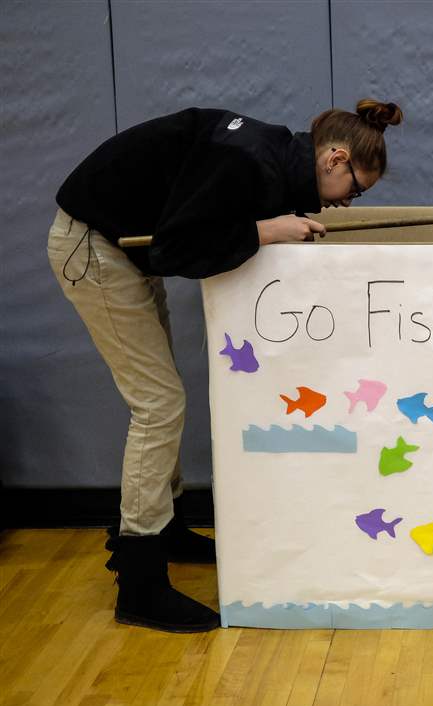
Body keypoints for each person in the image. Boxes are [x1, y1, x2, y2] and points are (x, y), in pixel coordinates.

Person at [47, 98, 403, 633]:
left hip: (123, 249)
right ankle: (140, 580)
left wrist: (268, 225)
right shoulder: (248, 160)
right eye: (354, 190)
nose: (347, 202)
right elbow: (174, 250)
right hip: (94, 247)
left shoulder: (271, 156)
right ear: (334, 159)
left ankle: (167, 529)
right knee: (159, 404)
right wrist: (265, 232)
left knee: (163, 397)